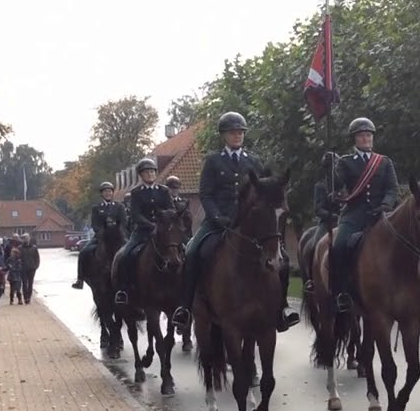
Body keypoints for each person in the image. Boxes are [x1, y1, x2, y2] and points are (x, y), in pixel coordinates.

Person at [171, 112, 300, 333]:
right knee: (192, 251)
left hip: (248, 223)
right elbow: (206, 193)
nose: (237, 135)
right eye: (233, 132)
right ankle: (186, 308)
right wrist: (216, 215)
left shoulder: (254, 160)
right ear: (224, 135)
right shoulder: (213, 161)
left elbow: (264, 193)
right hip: (217, 221)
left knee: (283, 259)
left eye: (240, 132)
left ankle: (281, 308)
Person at [330, 117, 400, 313]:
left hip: (380, 215)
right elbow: (337, 186)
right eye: (362, 136)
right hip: (354, 214)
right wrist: (330, 168)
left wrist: (386, 205)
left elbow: (392, 189)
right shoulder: (345, 162)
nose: (366, 139)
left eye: (369, 135)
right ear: (355, 139)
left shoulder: (384, 162)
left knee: (408, 242)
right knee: (339, 246)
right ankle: (341, 292)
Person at [112, 158, 173, 305]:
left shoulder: (164, 191)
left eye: (152, 171)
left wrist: (164, 221)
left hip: (163, 232)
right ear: (141, 175)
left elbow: (171, 210)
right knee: (125, 255)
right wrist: (150, 225)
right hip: (142, 233)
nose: (150, 174)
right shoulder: (136, 193)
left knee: (182, 250)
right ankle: (123, 290)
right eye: (146, 172)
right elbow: (135, 214)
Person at [72, 182, 125, 289]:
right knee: (84, 252)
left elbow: (123, 222)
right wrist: (100, 233)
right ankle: (80, 279)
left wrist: (120, 232)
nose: (108, 194)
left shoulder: (119, 206)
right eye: (105, 192)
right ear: (102, 194)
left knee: (131, 251)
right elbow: (95, 224)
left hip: (117, 236)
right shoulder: (96, 208)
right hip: (101, 237)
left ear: (113, 193)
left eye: (110, 191)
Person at [306, 151, 341, 294]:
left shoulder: (344, 185)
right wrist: (332, 216)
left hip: (343, 221)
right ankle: (311, 279)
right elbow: (318, 209)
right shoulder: (320, 186)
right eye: (332, 167)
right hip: (326, 223)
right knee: (313, 245)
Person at [19, 233, 40, 303]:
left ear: (29, 239)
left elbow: (37, 258)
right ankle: (25, 298)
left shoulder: (34, 248)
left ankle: (29, 297)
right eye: (24, 238)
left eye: (27, 238)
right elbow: (18, 258)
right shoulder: (20, 248)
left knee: (30, 283)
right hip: (23, 268)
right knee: (24, 283)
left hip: (32, 268)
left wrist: (36, 266)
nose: (25, 240)